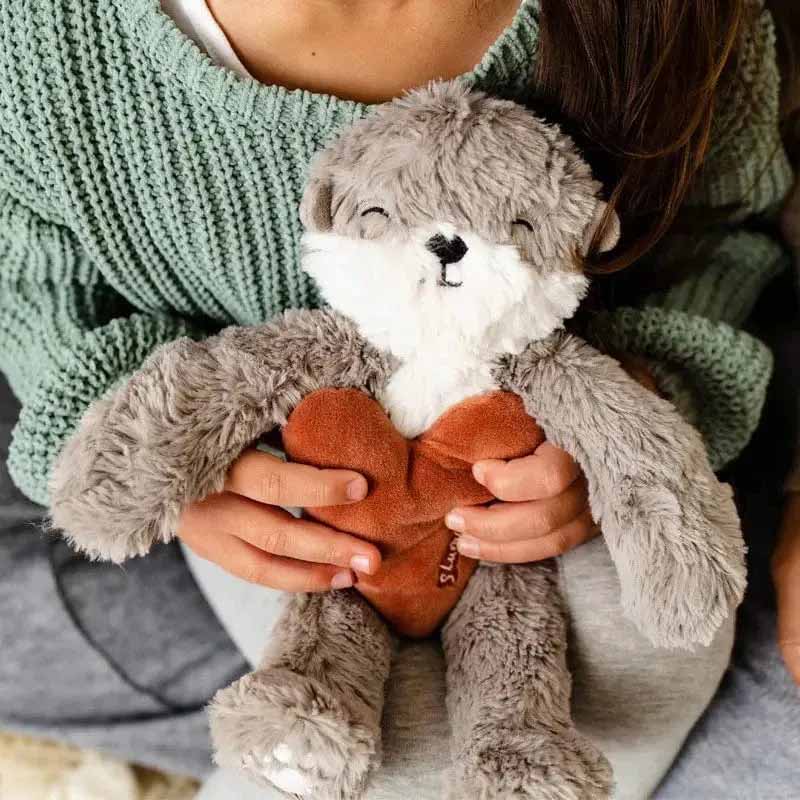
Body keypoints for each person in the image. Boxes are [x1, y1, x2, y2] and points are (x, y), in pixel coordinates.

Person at [0, 1, 794, 798]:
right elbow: (38, 291)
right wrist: (171, 454)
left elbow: (721, 233)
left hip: (548, 449)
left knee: (653, 669)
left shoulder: (679, 22)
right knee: (382, 760)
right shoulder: (39, 45)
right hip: (270, 480)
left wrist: (635, 413)